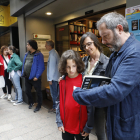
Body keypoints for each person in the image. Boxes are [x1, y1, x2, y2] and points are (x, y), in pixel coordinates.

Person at [73, 12, 140, 140]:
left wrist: (81, 95)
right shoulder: (117, 52)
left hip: (128, 127)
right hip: (115, 119)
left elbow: (115, 90)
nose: (103, 41)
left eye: (106, 36)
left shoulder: (135, 53)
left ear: (119, 29)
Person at [56, 50, 94, 140]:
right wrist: (59, 122)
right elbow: (58, 101)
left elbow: (90, 106)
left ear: (78, 65)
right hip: (66, 125)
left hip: (82, 126)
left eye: (74, 66)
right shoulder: (62, 81)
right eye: (68, 67)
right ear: (64, 67)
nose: (71, 70)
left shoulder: (84, 81)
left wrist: (88, 126)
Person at [80, 32, 109, 140]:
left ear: (96, 42)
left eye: (89, 44)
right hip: (85, 102)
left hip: (98, 104)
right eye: (84, 46)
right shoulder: (84, 60)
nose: (87, 48)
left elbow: (109, 84)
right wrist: (64, 78)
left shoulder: (107, 62)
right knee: (83, 128)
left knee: (100, 133)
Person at [21, 40, 45, 113]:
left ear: (31, 46)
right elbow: (24, 64)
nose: (26, 46)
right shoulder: (26, 54)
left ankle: (39, 105)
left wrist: (37, 76)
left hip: (35, 78)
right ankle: (31, 102)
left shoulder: (39, 54)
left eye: (28, 44)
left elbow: (41, 67)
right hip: (27, 76)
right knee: (27, 91)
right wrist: (23, 72)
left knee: (38, 92)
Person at [45, 40, 60, 113]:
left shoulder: (53, 54)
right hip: (56, 77)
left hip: (53, 78)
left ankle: (55, 108)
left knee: (54, 94)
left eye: (46, 45)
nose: (45, 46)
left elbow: (52, 68)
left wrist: (50, 79)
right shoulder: (54, 53)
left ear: (50, 46)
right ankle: (57, 107)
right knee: (56, 94)